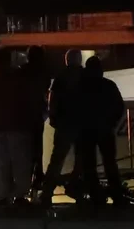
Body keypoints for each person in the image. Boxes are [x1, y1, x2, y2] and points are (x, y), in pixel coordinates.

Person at [0, 48, 35, 204]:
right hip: (16, 125)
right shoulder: (18, 78)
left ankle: (2, 194)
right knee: (19, 161)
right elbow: (26, 102)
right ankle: (20, 194)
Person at [77, 56, 126, 204]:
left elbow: (74, 108)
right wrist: (112, 123)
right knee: (110, 163)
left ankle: (94, 194)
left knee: (89, 164)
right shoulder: (108, 85)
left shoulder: (81, 86)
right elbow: (119, 107)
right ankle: (116, 194)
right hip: (105, 129)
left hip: (86, 130)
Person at [39, 50, 85, 204]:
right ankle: (77, 188)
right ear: (79, 60)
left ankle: (47, 192)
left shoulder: (60, 77)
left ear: (66, 60)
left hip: (64, 124)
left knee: (56, 160)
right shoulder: (85, 76)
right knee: (82, 160)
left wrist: (53, 118)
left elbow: (53, 100)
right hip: (82, 124)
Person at [21, 45, 52, 193]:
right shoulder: (44, 72)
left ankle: (25, 180)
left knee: (25, 149)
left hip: (24, 114)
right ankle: (38, 177)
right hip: (38, 113)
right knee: (37, 148)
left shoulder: (23, 71)